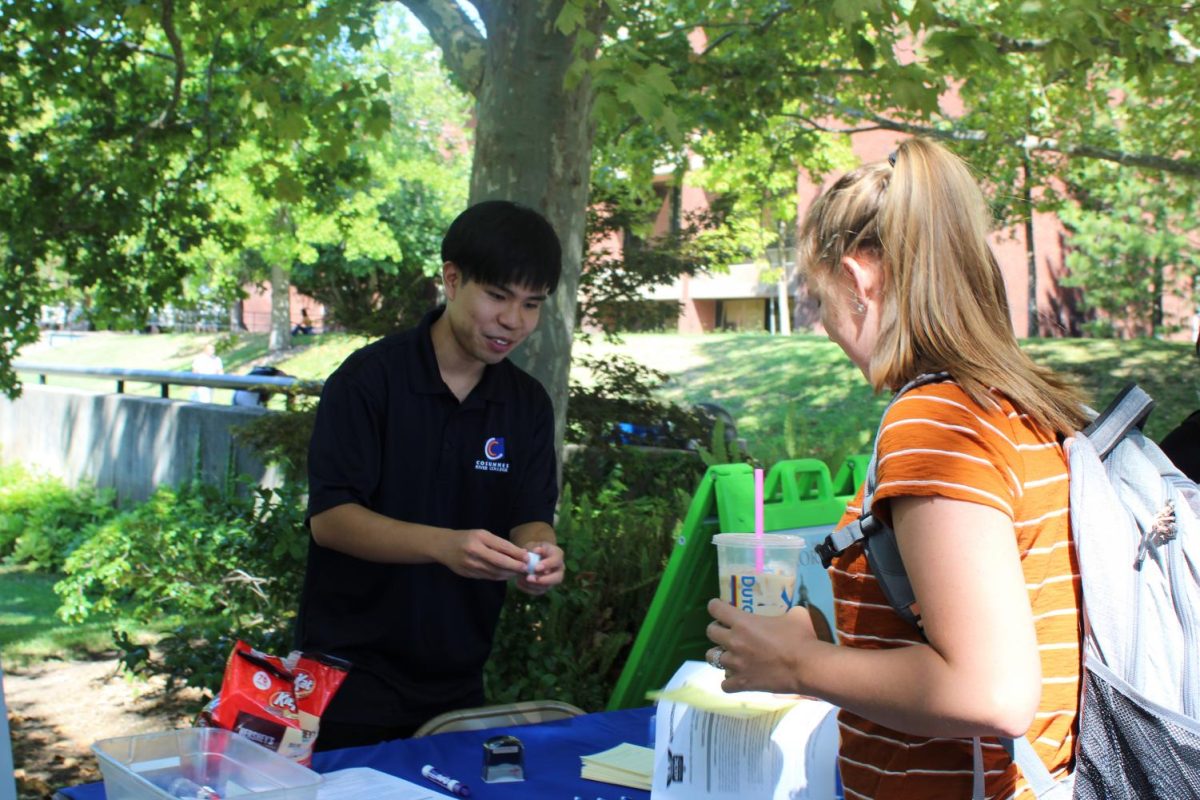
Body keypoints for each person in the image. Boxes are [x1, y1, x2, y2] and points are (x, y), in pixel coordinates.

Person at [705, 139, 1087, 798]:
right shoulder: (1021, 404)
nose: (824, 328)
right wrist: (822, 628)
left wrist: (797, 664)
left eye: (819, 302)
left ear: (859, 281)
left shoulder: (934, 424)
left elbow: (991, 690)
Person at [296, 200, 567, 751]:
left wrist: (540, 550)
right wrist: (445, 546)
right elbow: (332, 520)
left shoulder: (527, 404)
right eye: (497, 296)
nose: (514, 321)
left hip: (457, 677)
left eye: (531, 304)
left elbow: (529, 513)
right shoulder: (369, 381)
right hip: (346, 677)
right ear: (452, 279)